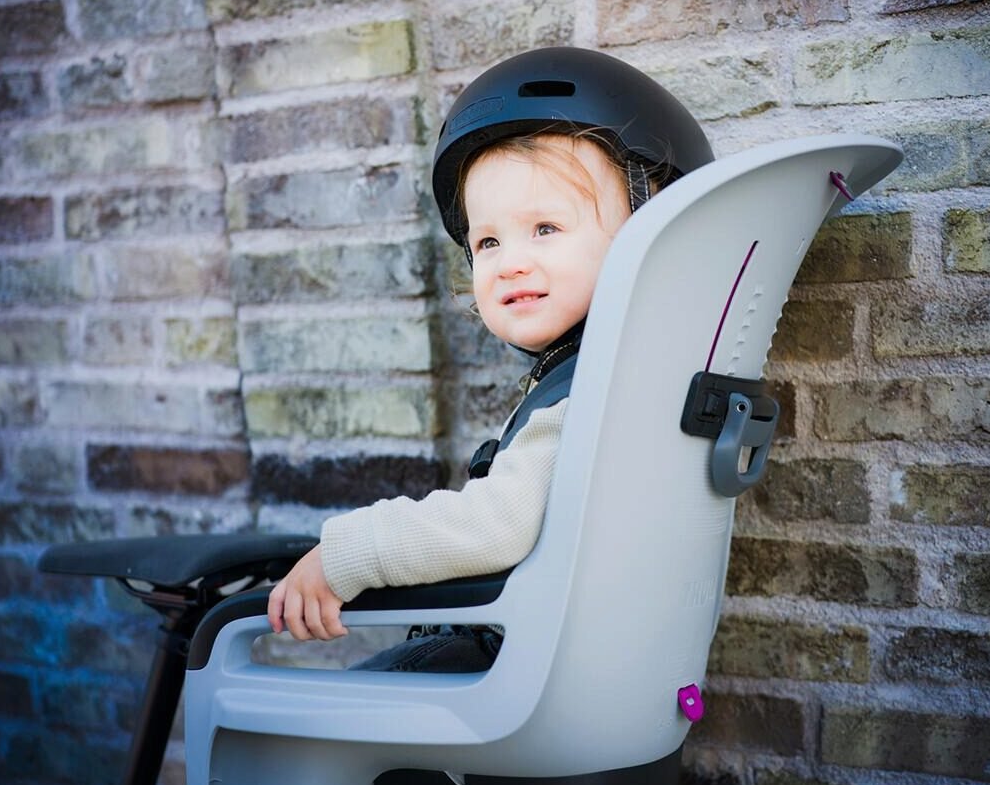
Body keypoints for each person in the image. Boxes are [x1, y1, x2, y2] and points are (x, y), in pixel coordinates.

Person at [267, 47, 714, 670]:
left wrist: (348, 554)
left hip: (514, 670)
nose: (509, 262)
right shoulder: (626, 370)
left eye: (546, 229)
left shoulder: (589, 391)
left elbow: (497, 524)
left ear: (646, 229)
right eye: (489, 241)